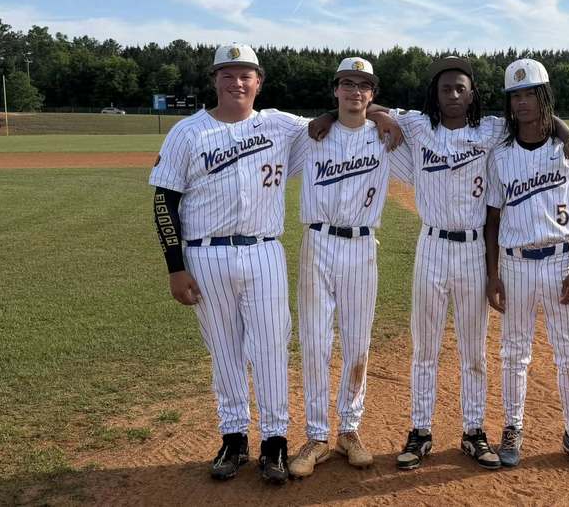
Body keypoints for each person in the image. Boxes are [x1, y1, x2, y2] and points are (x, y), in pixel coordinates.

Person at [313, 56, 569, 471]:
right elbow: (363, 108)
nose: (454, 95)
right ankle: (420, 431)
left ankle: (473, 431)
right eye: (446, 88)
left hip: (475, 249)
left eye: (461, 88)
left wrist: (566, 133)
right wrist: (331, 114)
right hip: (432, 246)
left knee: (473, 350)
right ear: (435, 95)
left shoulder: (492, 129)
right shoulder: (419, 126)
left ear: (472, 93)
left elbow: (541, 117)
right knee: (425, 346)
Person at [149, 45, 398, 485]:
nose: (237, 82)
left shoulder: (281, 125)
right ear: (215, 81)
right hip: (204, 254)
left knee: (271, 349)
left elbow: (346, 115)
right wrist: (175, 265)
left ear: (258, 82)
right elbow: (164, 200)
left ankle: (275, 443)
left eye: (245, 75)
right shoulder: (187, 133)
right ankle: (233, 437)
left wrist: (377, 112)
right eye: (227, 74)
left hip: (265, 250)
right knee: (223, 350)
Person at [287, 58, 413, 478]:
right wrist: (325, 117)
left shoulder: (386, 138)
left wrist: (383, 116)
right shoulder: (312, 134)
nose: (355, 91)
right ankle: (317, 435)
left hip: (362, 245)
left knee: (358, 341)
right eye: (347, 84)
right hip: (317, 242)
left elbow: (426, 128)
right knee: (316, 341)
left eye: (364, 86)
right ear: (335, 90)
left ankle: (350, 430)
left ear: (372, 93)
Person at [484, 58, 569, 475]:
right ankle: (512, 428)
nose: (521, 103)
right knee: (514, 353)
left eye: (529, 94)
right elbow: (493, 219)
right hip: (515, 263)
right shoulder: (501, 155)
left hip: (560, 261)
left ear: (544, 97)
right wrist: (492, 273)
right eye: (514, 95)